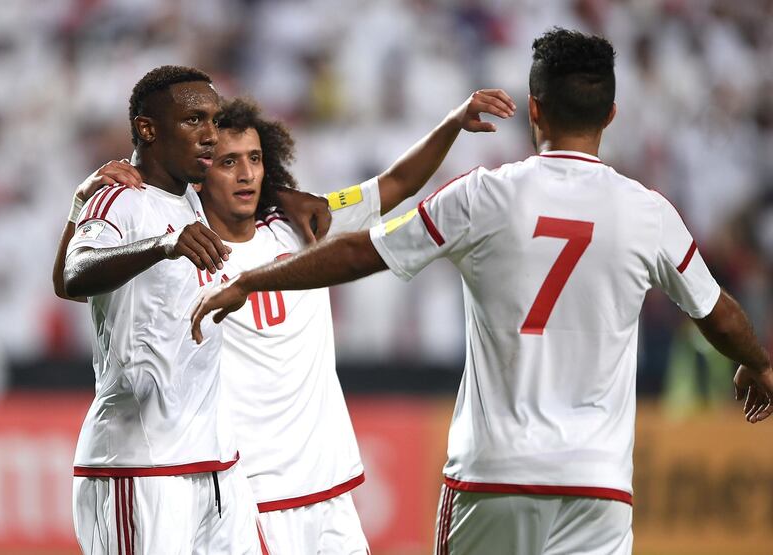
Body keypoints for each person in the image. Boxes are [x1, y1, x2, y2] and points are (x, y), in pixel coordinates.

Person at [190, 29, 773, 555]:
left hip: (494, 474)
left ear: (534, 109)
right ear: (612, 113)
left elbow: (363, 246)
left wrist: (252, 278)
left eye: (254, 160)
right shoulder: (650, 213)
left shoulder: (486, 195)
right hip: (598, 482)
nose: (246, 172)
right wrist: (756, 363)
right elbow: (718, 315)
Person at [67, 88, 515, 554]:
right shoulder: (180, 247)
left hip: (328, 486)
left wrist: (453, 121)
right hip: (248, 493)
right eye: (227, 162)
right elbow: (81, 277)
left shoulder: (302, 225)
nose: (246, 175)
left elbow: (394, 184)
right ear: (199, 172)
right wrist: (85, 201)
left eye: (256, 159)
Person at [58, 65, 267, 555]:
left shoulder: (193, 199)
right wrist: (164, 244)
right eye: (194, 120)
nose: (210, 135)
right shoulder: (120, 199)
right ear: (148, 129)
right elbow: (75, 274)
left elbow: (63, 283)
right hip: (141, 464)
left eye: (214, 120)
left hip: (216, 466)